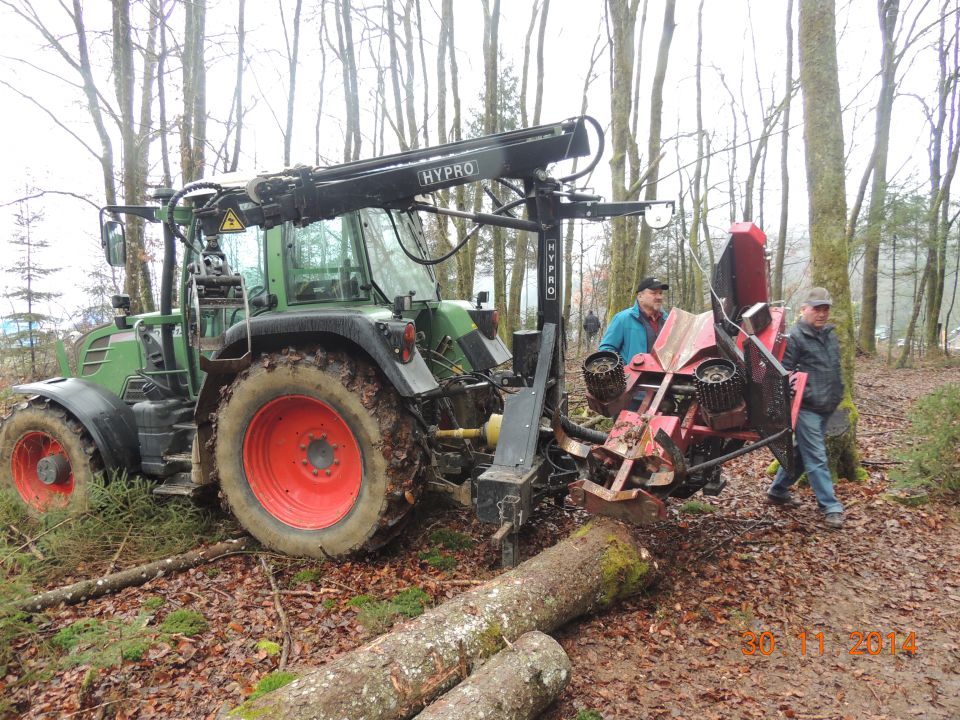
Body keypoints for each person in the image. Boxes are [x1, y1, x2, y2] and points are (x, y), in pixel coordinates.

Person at [767, 287, 845, 529]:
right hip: (806, 408)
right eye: (816, 309)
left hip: (828, 405)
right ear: (803, 310)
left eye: (825, 309)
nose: (821, 314)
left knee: (802, 452)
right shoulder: (795, 337)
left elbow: (835, 367)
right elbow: (784, 372)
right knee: (817, 457)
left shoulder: (830, 335)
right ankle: (830, 507)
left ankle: (778, 490)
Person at [598, 277, 669, 363]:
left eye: (660, 293)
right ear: (640, 296)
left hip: (664, 375)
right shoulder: (623, 318)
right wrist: (624, 369)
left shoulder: (668, 320)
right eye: (654, 293)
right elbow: (606, 349)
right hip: (632, 375)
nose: (659, 297)